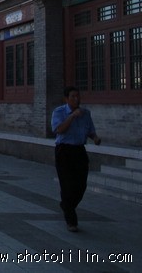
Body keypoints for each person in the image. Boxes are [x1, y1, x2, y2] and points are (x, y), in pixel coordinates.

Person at [51, 86, 101, 232]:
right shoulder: (59, 112)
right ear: (66, 99)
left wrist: (95, 138)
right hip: (64, 151)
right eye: (73, 96)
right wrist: (72, 116)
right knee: (67, 185)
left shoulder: (86, 113)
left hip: (79, 151)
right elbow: (59, 130)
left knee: (81, 185)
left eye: (78, 96)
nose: (76, 99)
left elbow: (90, 131)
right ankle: (71, 221)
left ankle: (66, 205)